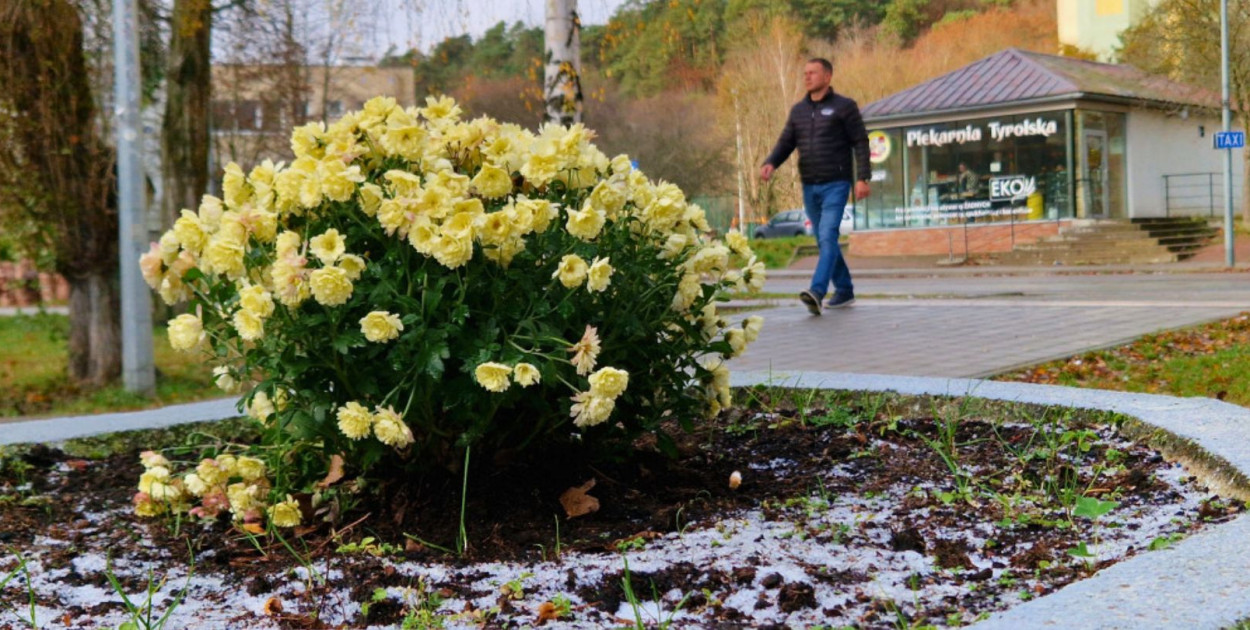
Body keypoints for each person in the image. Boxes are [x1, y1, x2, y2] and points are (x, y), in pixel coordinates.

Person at [760, 57, 870, 315]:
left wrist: (863, 178)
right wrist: (771, 162)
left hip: (837, 183)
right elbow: (786, 142)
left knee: (827, 235)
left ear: (827, 77)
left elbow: (861, 142)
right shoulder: (798, 111)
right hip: (810, 185)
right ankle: (844, 291)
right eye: (805, 73)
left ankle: (817, 291)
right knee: (824, 241)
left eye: (813, 73)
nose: (807, 77)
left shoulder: (845, 107)